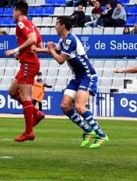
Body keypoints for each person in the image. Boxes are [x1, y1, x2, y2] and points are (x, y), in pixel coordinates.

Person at [45, 16, 109, 148]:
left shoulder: (70, 39)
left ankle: (102, 135)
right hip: (77, 77)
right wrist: (37, 50)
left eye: (57, 23)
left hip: (87, 75)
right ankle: (88, 130)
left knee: (80, 106)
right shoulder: (63, 40)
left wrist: (50, 49)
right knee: (65, 106)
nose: (55, 26)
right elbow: (56, 51)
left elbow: (60, 60)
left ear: (63, 26)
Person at [3, 0, 47, 142]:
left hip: (29, 63)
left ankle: (29, 132)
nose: (12, 14)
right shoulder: (32, 25)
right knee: (12, 91)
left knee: (26, 96)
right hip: (28, 62)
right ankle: (36, 113)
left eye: (13, 11)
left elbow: (32, 39)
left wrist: (17, 50)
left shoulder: (21, 23)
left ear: (17, 11)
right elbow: (38, 45)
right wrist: (23, 52)